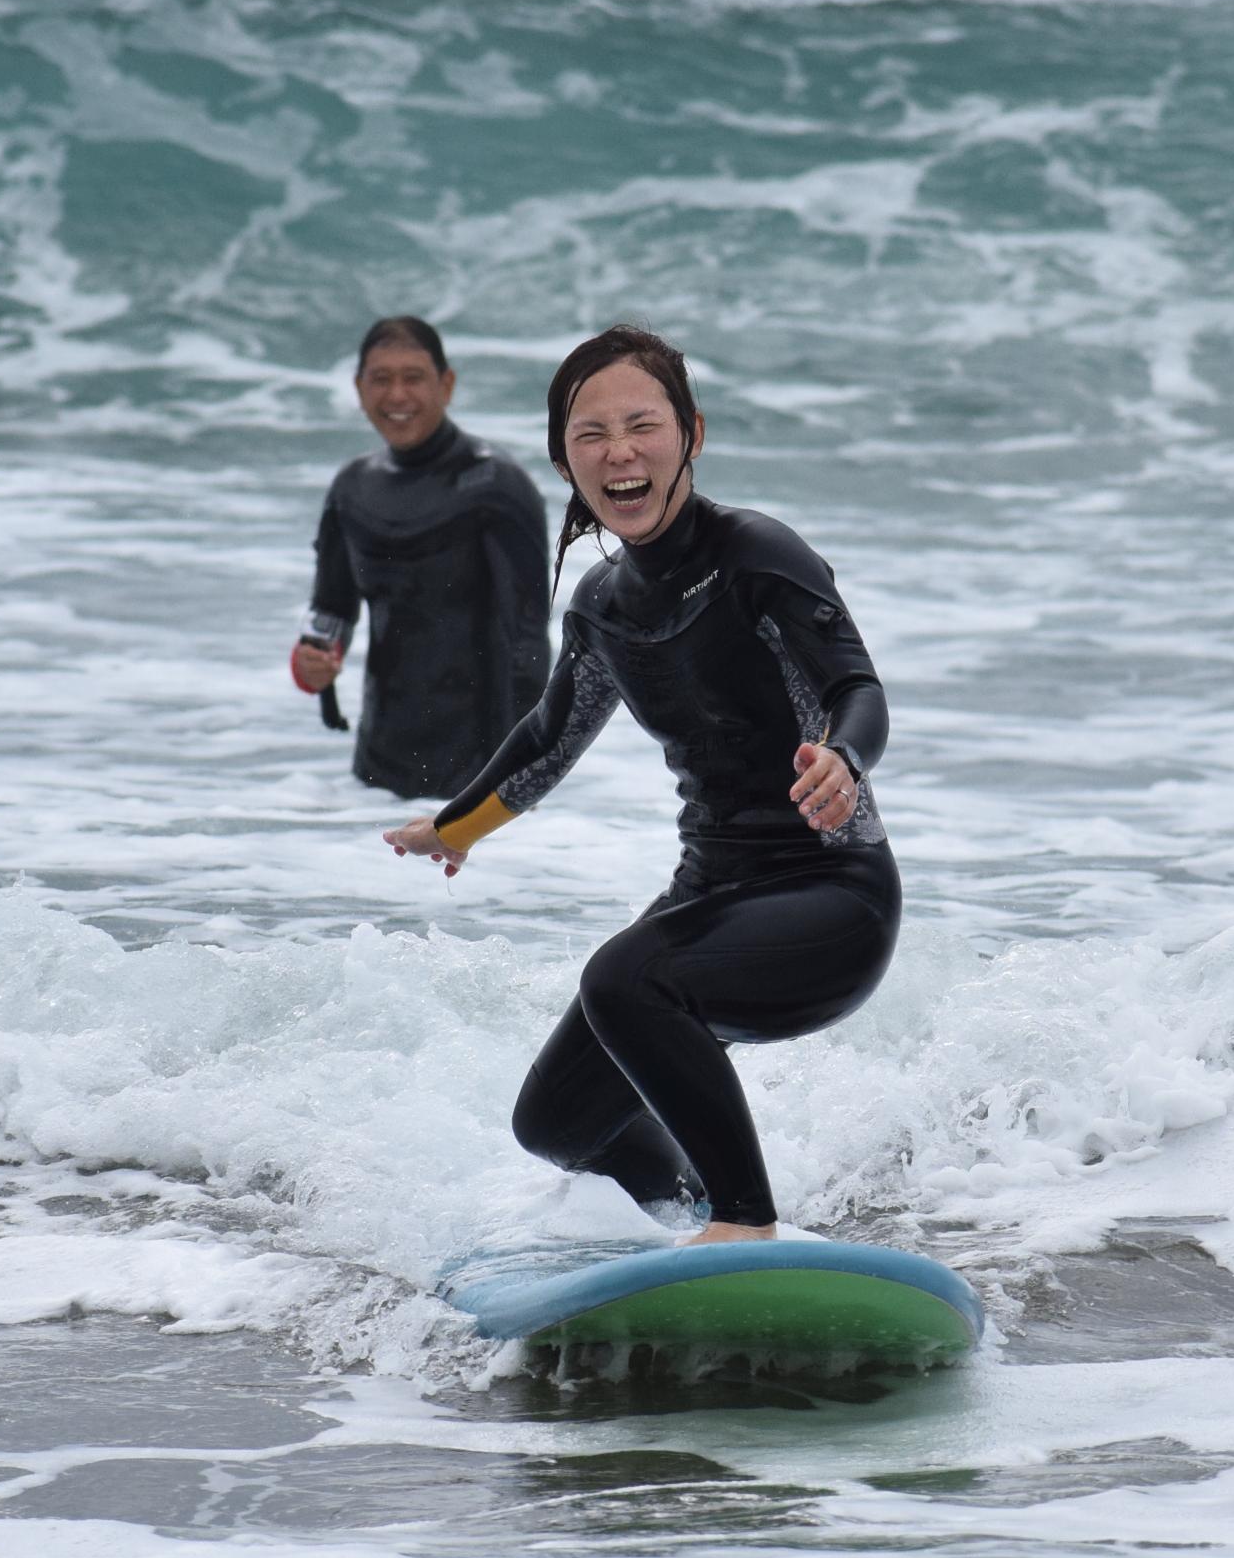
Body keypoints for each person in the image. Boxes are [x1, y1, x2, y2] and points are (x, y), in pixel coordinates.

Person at [383, 325, 897, 1247]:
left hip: (830, 899)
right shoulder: (604, 608)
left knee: (626, 980)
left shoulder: (757, 556)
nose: (619, 452)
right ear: (565, 460)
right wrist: (459, 828)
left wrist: (842, 761)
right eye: (591, 434)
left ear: (690, 434)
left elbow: (855, 688)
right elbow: (549, 736)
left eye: (642, 425)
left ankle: (747, 1221)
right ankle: (694, 1213)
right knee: (558, 1122)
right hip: (713, 902)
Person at [294, 317, 553, 799]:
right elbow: (330, 614)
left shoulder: (496, 485)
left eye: (413, 378)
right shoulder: (352, 488)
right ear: (358, 387)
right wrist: (312, 664)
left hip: (477, 771)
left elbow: (529, 640)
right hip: (375, 774)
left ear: (446, 384)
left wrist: (519, 777)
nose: (397, 396)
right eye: (381, 379)